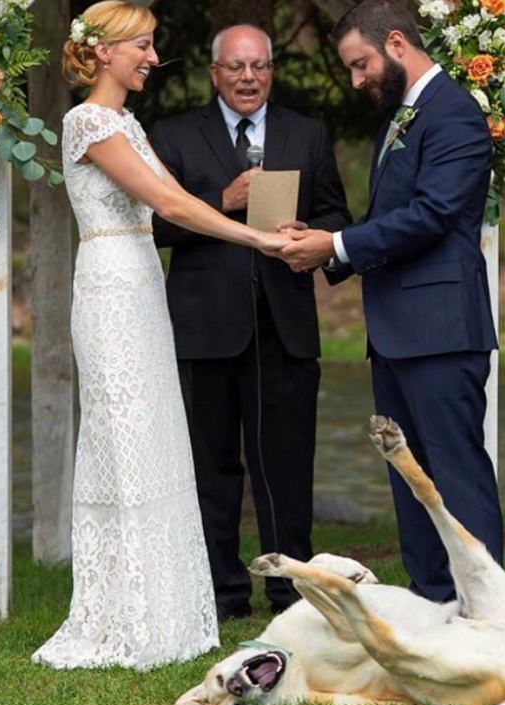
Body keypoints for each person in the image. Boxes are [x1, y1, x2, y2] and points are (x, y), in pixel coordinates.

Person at [32, 1, 288, 671]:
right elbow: (172, 206)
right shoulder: (87, 121)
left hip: (146, 283)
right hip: (111, 285)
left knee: (156, 435)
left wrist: (253, 215)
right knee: (123, 436)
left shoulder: (126, 121)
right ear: (106, 52)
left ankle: (165, 607)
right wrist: (259, 236)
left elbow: (179, 195)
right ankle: (122, 612)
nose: (152, 57)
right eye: (142, 46)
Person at [279, 0, 503, 603]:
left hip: (442, 330)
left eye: (360, 64)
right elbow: (389, 219)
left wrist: (338, 243)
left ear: (397, 43)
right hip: (398, 331)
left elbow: (432, 215)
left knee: (455, 474)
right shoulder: (402, 117)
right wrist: (324, 246)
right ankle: (433, 602)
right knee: (410, 477)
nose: (356, 81)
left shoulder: (453, 113)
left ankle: (486, 614)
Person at [150, 25, 350, 620]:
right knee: (211, 469)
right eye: (236, 67)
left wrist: (308, 234)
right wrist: (221, 202)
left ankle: (293, 594)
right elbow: (155, 229)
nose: (248, 78)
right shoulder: (175, 136)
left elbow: (336, 214)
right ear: (214, 72)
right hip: (204, 330)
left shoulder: (306, 134)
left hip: (284, 328)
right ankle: (220, 594)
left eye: (259, 66)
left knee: (285, 466)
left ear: (272, 71)